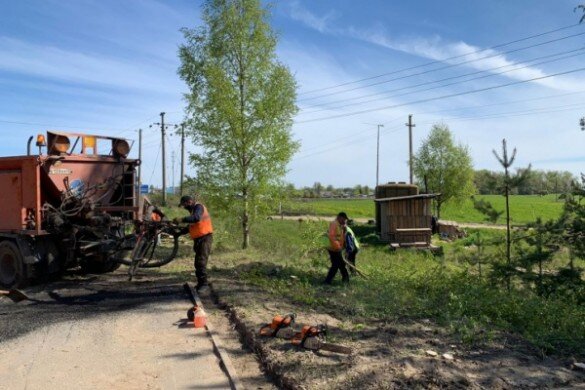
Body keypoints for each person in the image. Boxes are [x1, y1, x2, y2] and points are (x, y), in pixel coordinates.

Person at [174, 195, 213, 292]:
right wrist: (178, 233)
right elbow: (190, 227)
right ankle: (200, 284)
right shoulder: (193, 211)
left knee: (200, 262)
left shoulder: (198, 207)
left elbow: (196, 218)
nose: (184, 207)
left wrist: (181, 219)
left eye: (184, 205)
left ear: (189, 202)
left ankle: (204, 285)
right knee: (198, 263)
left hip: (205, 238)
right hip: (199, 239)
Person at [324, 212, 349, 285]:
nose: (345, 221)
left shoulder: (340, 226)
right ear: (339, 217)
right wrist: (338, 247)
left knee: (341, 264)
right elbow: (331, 237)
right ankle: (327, 281)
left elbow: (341, 238)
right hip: (333, 248)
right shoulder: (334, 224)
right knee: (336, 265)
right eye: (344, 219)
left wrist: (344, 231)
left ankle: (346, 279)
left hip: (336, 248)